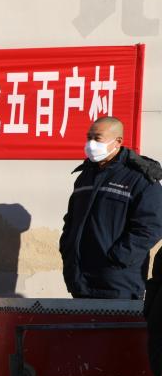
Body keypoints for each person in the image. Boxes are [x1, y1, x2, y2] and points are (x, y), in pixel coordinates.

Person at [60, 116, 162, 299]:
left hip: (118, 281)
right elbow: (71, 220)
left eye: (97, 138)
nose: (91, 144)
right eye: (89, 137)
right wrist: (67, 249)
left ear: (118, 141)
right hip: (81, 280)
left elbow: (151, 227)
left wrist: (118, 257)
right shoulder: (85, 176)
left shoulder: (140, 178)